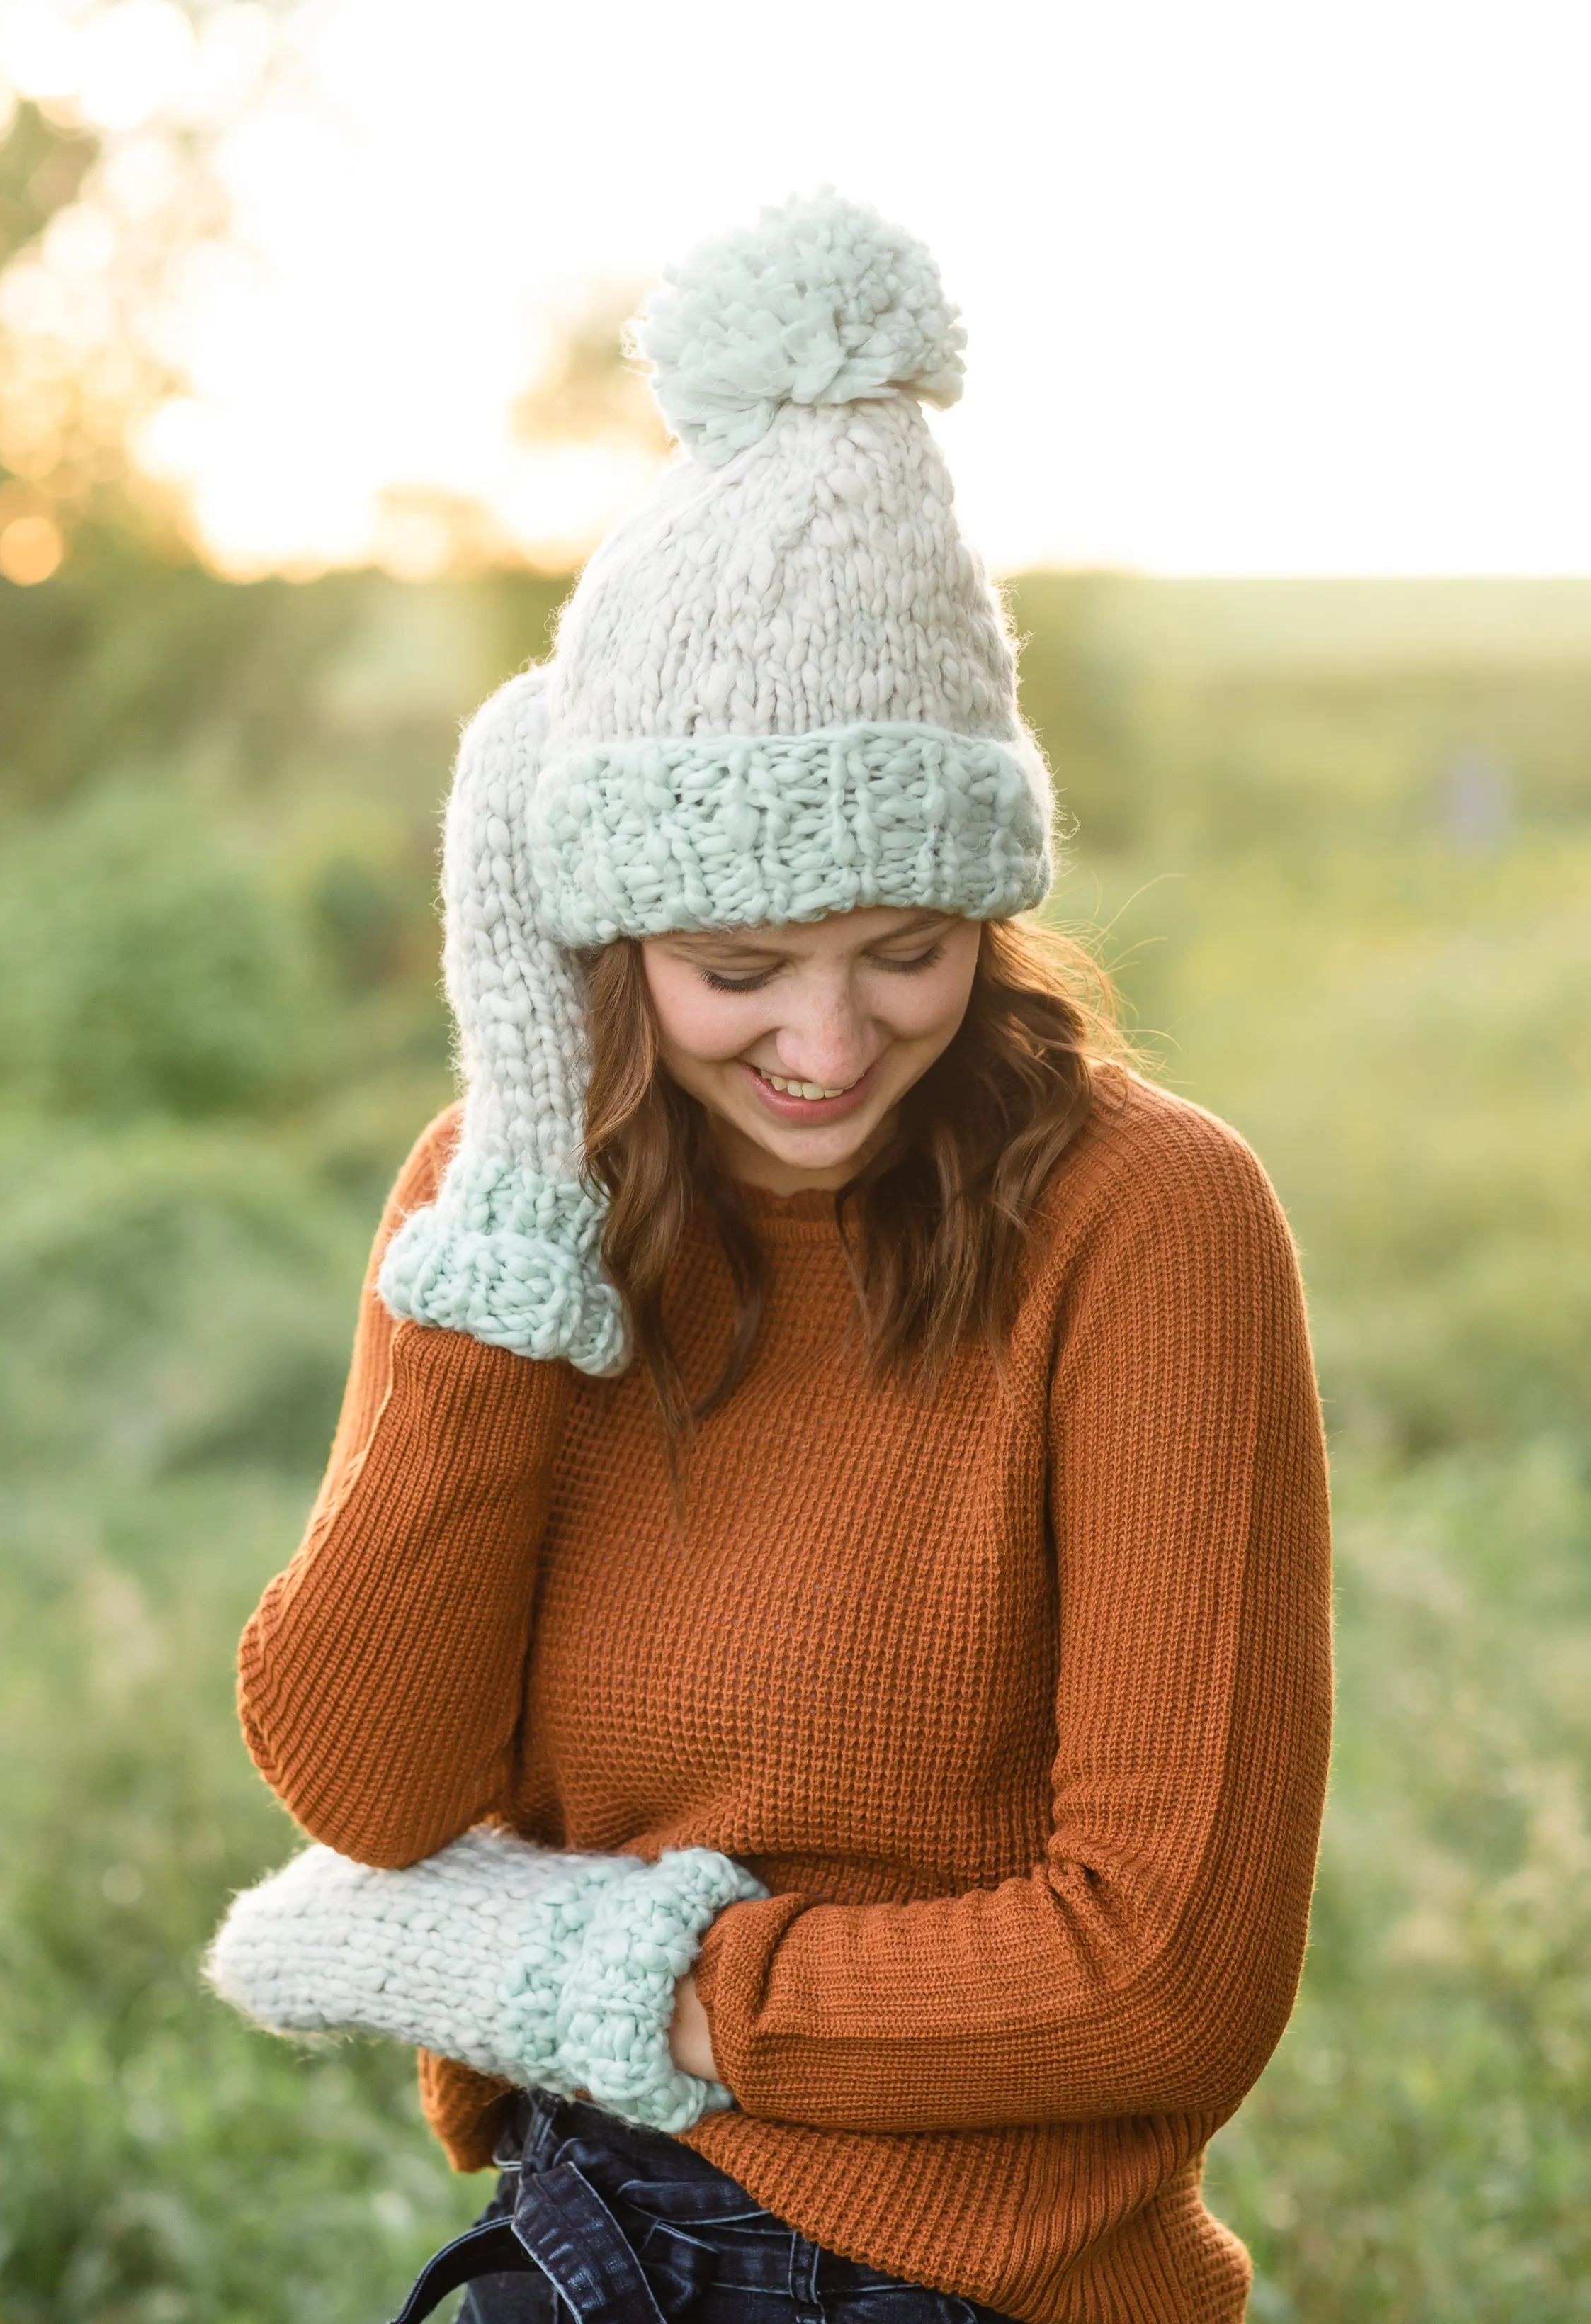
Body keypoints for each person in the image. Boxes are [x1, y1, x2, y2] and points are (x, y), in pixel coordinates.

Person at [208, 194, 1332, 2324]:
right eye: (736, 971)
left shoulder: (1148, 1219)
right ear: (605, 939)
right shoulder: (503, 1199)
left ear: (982, 909)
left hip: (971, 2285)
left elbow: (1160, 1974)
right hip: (579, 2232)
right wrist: (528, 1194)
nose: (827, 1047)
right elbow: (367, 1781)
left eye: (905, 952)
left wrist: (601, 1975)